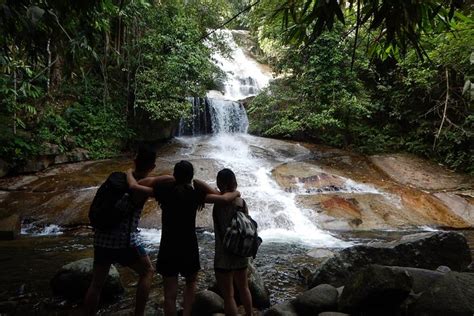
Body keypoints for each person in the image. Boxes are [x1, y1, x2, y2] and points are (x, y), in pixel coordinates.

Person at [127, 160, 239, 316]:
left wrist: (128, 173)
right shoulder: (195, 195)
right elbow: (224, 198)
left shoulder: (164, 192)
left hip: (168, 246)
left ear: (174, 175)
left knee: (169, 295)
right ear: (190, 177)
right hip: (189, 246)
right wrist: (236, 193)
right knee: (191, 283)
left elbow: (134, 187)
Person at [84, 145, 170, 316]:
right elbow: (172, 178)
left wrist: (129, 172)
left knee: (96, 284)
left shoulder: (116, 179)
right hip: (125, 241)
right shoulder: (145, 183)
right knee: (147, 271)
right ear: (152, 167)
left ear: (135, 161)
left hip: (101, 238)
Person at [208, 168, 253, 316]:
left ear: (220, 183)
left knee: (228, 296)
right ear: (234, 182)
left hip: (223, 255)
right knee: (244, 288)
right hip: (240, 251)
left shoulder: (218, 201)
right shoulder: (241, 202)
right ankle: (249, 314)